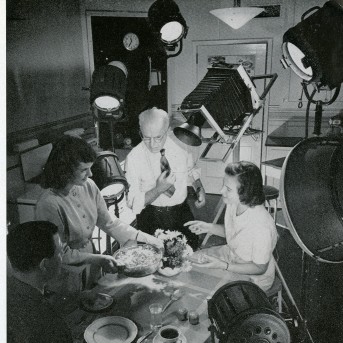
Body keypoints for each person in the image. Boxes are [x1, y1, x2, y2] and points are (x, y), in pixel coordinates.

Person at [36, 135, 162, 290]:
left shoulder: (88, 185)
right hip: (65, 273)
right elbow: (59, 254)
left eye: (90, 168)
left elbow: (108, 222)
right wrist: (98, 259)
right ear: (65, 171)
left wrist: (143, 237)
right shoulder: (48, 203)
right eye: (84, 170)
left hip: (92, 264)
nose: (90, 174)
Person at [185, 161, 278, 291]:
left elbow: (259, 268)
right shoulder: (234, 202)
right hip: (231, 256)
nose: (221, 190)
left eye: (228, 189)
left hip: (253, 277)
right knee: (188, 261)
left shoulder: (261, 226)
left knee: (211, 292)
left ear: (245, 193)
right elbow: (234, 233)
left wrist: (224, 266)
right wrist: (208, 227)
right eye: (224, 185)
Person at [7, 221, 80, 343]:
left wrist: (79, 297)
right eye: (61, 252)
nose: (62, 257)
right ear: (44, 265)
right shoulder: (50, 324)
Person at [124, 107, 206, 249]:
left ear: (167, 131)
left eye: (158, 137)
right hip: (151, 217)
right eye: (146, 138)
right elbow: (133, 203)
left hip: (181, 213)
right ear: (140, 132)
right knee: (154, 259)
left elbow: (190, 170)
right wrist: (158, 189)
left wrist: (199, 187)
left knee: (188, 253)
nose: (153, 144)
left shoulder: (181, 146)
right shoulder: (133, 158)